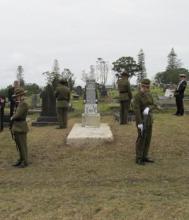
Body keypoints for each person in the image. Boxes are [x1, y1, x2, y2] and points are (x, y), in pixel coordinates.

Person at [133, 79, 156, 165]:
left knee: (148, 139)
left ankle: (144, 156)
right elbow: (136, 110)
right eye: (144, 87)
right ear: (141, 86)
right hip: (142, 120)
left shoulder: (149, 94)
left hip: (149, 119)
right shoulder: (137, 96)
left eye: (147, 87)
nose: (146, 88)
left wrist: (148, 108)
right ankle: (138, 158)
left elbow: (153, 104)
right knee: (141, 139)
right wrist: (139, 123)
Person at [10, 88, 29, 168]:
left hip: (20, 126)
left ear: (21, 95)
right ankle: (21, 159)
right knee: (19, 145)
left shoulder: (23, 104)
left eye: (17, 96)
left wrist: (12, 117)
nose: (16, 98)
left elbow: (18, 115)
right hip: (18, 126)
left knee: (22, 145)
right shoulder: (20, 103)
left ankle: (25, 161)